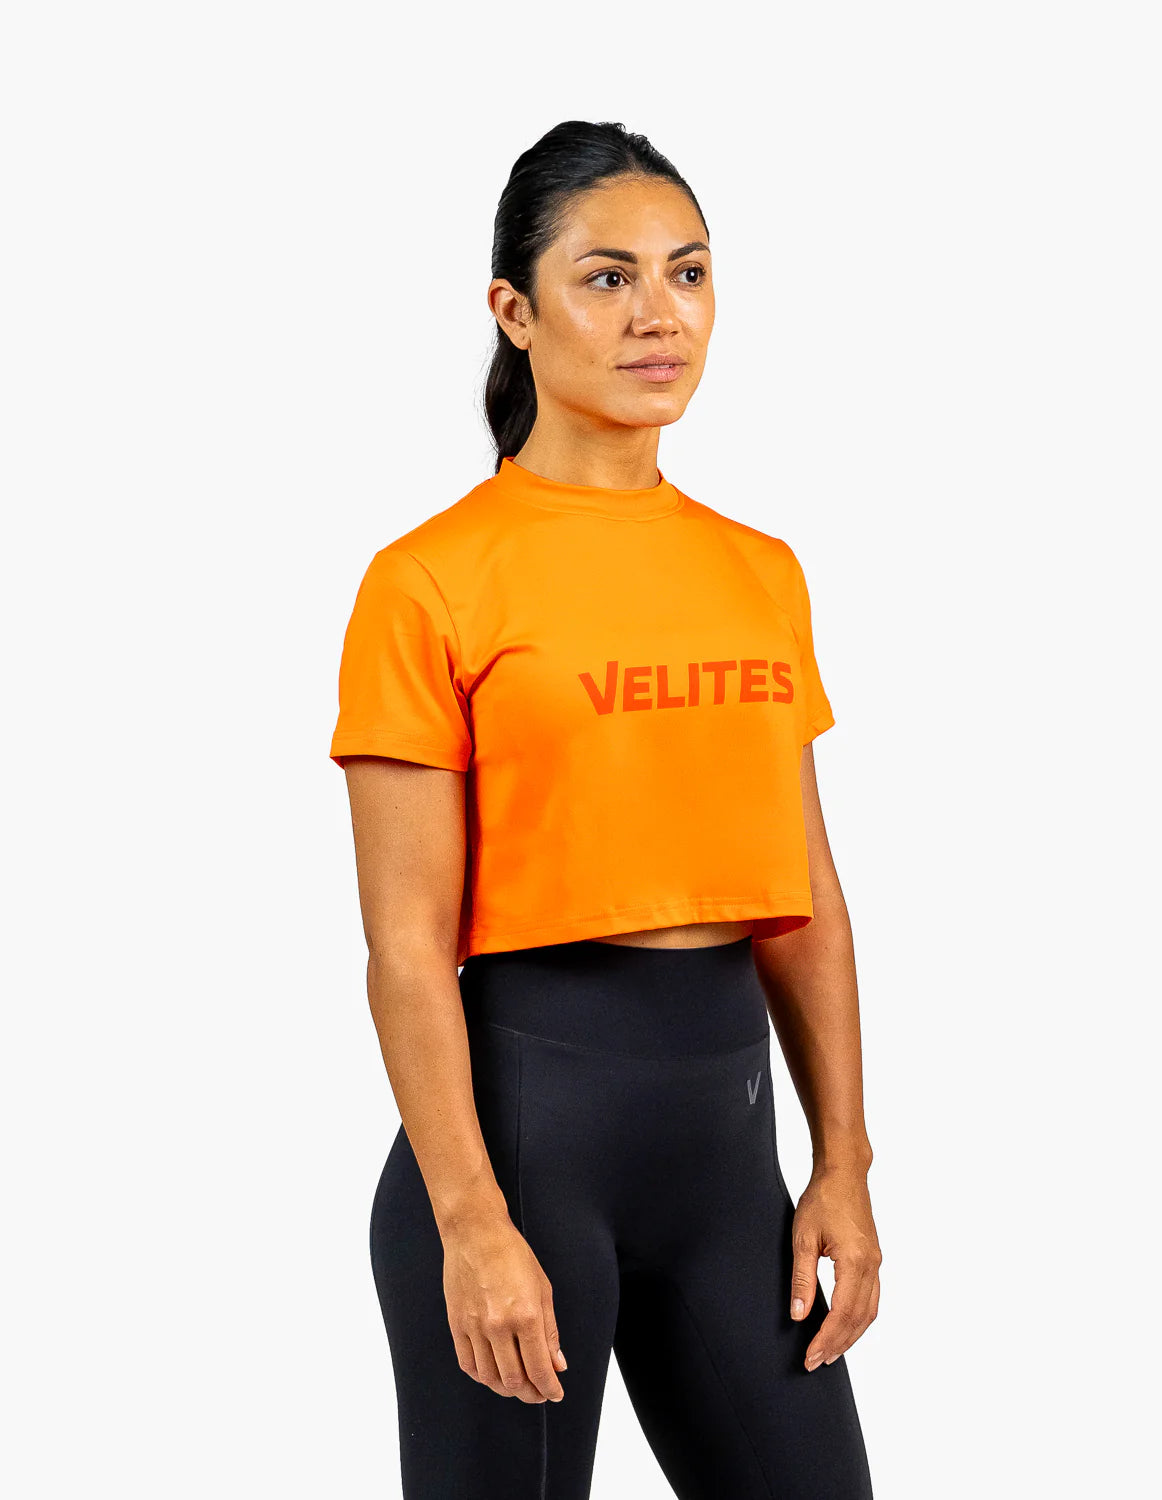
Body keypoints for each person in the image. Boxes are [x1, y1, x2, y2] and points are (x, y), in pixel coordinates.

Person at [329, 119, 879, 1499]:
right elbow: (405, 949)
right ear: (514, 312)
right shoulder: (431, 581)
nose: (658, 316)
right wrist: (470, 1222)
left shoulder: (760, 572)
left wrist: (845, 1165)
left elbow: (805, 897)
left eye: (687, 274)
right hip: (520, 1157)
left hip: (729, 1168)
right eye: (607, 277)